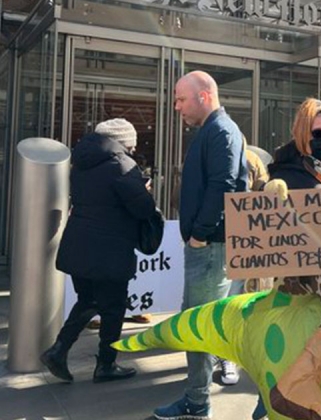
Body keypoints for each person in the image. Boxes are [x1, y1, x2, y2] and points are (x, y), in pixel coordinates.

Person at [153, 71, 248, 420]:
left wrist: (200, 234)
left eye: (181, 99)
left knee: (196, 325)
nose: (177, 107)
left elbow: (223, 185)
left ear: (204, 96)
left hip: (209, 247)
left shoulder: (221, 131)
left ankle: (196, 403)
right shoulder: (216, 131)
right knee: (200, 323)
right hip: (208, 246)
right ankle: (196, 399)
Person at [40, 118, 156, 383]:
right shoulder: (123, 165)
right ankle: (106, 364)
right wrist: (145, 190)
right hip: (110, 249)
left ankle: (58, 350)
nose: (134, 149)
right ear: (124, 142)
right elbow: (143, 209)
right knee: (114, 308)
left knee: (89, 299)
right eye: (132, 143)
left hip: (80, 244)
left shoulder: (80, 163)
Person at [264, 98, 321, 420]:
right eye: (317, 134)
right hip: (306, 267)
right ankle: (297, 382)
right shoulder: (286, 171)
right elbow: (266, 210)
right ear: (303, 135)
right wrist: (272, 193)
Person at [218, 145, 270, 387]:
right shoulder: (251, 159)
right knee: (230, 297)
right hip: (229, 238)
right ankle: (224, 354)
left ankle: (227, 354)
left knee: (232, 297)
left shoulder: (249, 159)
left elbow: (265, 192)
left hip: (237, 238)